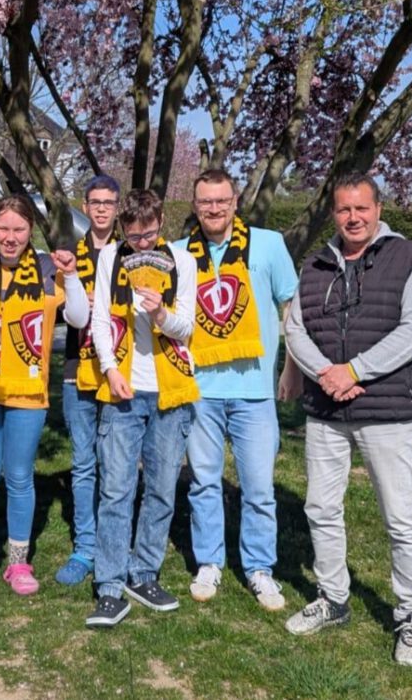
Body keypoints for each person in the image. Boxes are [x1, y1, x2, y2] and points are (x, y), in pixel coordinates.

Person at [283, 172, 412, 667]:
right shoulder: (316, 264)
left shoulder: (408, 258)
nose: (353, 218)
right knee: (321, 509)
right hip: (327, 409)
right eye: (344, 210)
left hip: (386, 408)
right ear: (334, 213)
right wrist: (325, 373)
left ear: (378, 208)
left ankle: (411, 615)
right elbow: (296, 328)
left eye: (362, 209)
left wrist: (356, 370)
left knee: (400, 517)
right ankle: (333, 598)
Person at [173, 169, 298, 611]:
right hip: (200, 391)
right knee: (204, 482)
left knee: (259, 487)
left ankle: (259, 568)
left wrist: (292, 369)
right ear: (194, 204)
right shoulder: (178, 254)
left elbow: (291, 308)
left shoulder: (268, 244)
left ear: (235, 200)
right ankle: (209, 562)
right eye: (205, 201)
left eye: (221, 200)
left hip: (255, 391)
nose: (213, 208)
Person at [0, 195, 89, 596]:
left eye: (18, 229)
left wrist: (72, 278)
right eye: (3, 229)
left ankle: (18, 561)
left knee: (19, 477)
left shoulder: (49, 268)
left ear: (30, 230)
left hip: (29, 393)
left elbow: (80, 318)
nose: (10, 237)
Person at [85, 189, 198, 629]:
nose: (143, 245)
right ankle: (110, 585)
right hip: (123, 388)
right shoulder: (110, 257)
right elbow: (98, 320)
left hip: (169, 389)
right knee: (115, 489)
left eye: (149, 235)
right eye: (134, 237)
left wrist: (161, 315)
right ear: (122, 230)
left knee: (162, 487)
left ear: (161, 222)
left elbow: (187, 327)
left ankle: (144, 573)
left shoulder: (182, 261)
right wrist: (110, 369)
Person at [56, 174, 120, 586]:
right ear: (86, 204)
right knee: (83, 464)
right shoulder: (69, 255)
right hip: (75, 370)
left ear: (117, 207)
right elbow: (62, 308)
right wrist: (74, 294)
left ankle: (114, 543)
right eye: (94, 202)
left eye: (108, 202)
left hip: (118, 370)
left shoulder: (131, 252)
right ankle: (84, 546)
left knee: (116, 464)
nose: (100, 209)